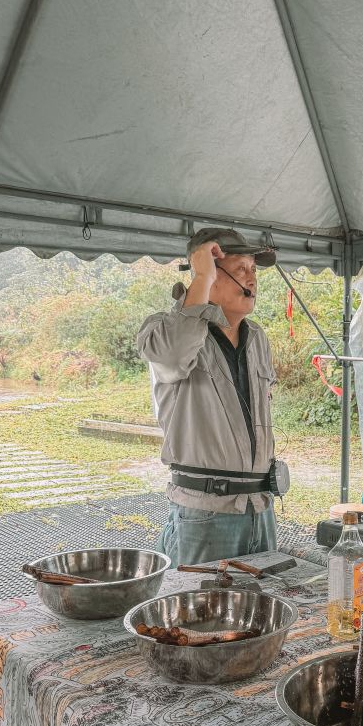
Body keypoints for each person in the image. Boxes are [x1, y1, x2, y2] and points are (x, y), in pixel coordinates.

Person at [138, 228, 279, 566]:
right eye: (241, 269)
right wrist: (201, 274)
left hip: (260, 508)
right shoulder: (165, 330)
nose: (252, 279)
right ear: (210, 273)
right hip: (206, 514)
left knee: (261, 612)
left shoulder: (256, 336)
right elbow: (171, 357)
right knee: (198, 615)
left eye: (254, 270)